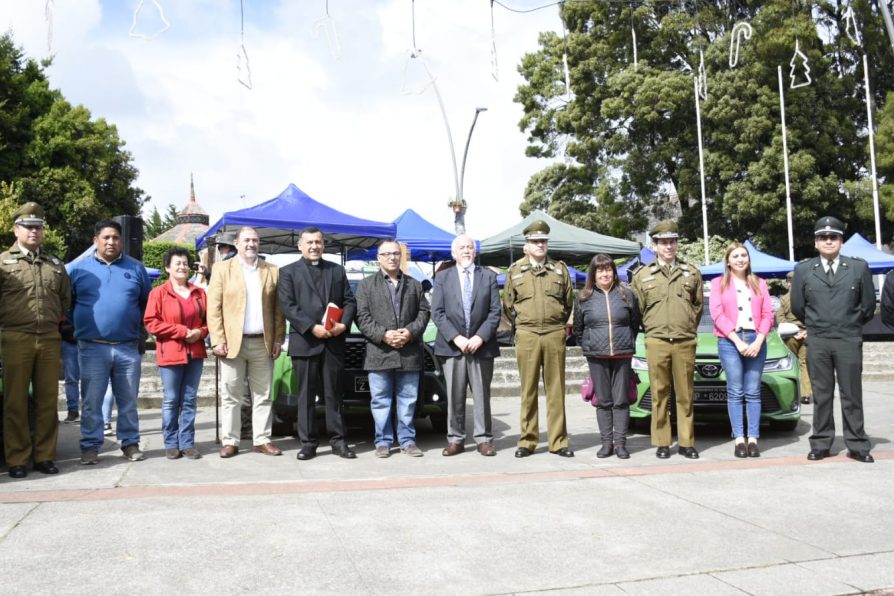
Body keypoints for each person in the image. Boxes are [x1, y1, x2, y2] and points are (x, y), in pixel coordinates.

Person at [791, 216, 875, 463]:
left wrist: (849, 323)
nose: (828, 241)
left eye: (833, 237)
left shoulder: (858, 268)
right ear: (816, 242)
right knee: (822, 394)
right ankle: (821, 443)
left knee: (852, 394)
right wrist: (818, 324)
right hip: (818, 339)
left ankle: (858, 444)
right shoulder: (804, 270)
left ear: (841, 241)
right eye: (823, 237)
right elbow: (798, 306)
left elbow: (868, 306)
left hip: (848, 338)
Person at [69, 219, 151, 465]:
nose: (111, 242)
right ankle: (91, 446)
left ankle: (130, 444)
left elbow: (146, 304)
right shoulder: (78, 270)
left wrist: (140, 335)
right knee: (92, 401)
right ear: (95, 240)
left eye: (115, 237)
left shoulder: (136, 269)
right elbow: (67, 305)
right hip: (91, 347)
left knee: (128, 401)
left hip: (127, 347)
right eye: (106, 237)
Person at [0, 202, 70, 478]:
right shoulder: (3, 262)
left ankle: (44, 456)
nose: (34, 232)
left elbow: (65, 299)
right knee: (15, 401)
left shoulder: (55, 264)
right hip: (16, 336)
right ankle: (17, 458)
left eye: (38, 227)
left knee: (47, 400)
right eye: (28, 227)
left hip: (49, 338)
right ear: (16, 230)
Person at [207, 226, 285, 458]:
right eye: (247, 240)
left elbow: (278, 310)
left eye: (255, 240)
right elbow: (214, 308)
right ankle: (231, 441)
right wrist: (217, 339)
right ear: (237, 244)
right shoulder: (221, 269)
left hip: (263, 341)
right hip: (232, 343)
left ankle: (261, 439)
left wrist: (278, 339)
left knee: (264, 394)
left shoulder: (272, 270)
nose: (251, 244)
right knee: (231, 394)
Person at [278, 227, 356, 460]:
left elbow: (349, 301)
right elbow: (288, 306)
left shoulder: (336, 270)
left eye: (318, 242)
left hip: (333, 341)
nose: (314, 246)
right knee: (306, 396)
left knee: (334, 394)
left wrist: (343, 324)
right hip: (306, 341)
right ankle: (308, 443)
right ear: (300, 245)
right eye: (310, 242)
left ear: (324, 245)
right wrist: (312, 327)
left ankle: (338, 441)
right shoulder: (288, 272)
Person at [502, 220, 575, 458]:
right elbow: (508, 305)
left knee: (556, 390)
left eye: (543, 241)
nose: (540, 245)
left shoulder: (559, 269)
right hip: (527, 334)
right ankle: (527, 440)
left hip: (554, 333)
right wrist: (524, 325)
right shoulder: (515, 271)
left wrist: (559, 325)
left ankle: (558, 442)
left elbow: (568, 303)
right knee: (528, 390)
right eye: (535, 241)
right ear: (527, 245)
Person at [631, 220, 703, 460]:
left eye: (672, 241)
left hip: (684, 341)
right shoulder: (642, 276)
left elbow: (698, 306)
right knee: (659, 394)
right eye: (663, 242)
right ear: (654, 245)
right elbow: (637, 309)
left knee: (685, 394)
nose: (669, 246)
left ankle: (686, 442)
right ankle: (662, 442)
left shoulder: (691, 272)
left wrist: (688, 327)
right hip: (657, 341)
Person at [355, 239, 431, 458]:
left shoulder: (415, 285)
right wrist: (383, 335)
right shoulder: (366, 285)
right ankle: (383, 441)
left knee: (408, 400)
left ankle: (408, 441)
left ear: (402, 256)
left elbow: (424, 313)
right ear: (378, 258)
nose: (392, 258)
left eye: (396, 253)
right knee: (380, 400)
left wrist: (409, 332)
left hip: (409, 352)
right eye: (387, 254)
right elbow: (362, 317)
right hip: (379, 352)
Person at [430, 234, 501, 457]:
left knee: (481, 395)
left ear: (475, 252)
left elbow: (495, 312)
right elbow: (437, 313)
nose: (466, 251)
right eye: (462, 248)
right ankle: (455, 439)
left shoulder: (488, 276)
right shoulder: (442, 277)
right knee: (454, 395)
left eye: (470, 247)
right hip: (452, 347)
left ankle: (484, 439)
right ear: (454, 253)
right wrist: (457, 337)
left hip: (482, 346)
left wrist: (479, 337)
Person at [709, 243, 774, 458]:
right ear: (727, 261)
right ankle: (739, 439)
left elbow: (768, 314)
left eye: (743, 255)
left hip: (756, 340)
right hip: (730, 341)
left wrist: (758, 341)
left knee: (753, 391)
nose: (740, 259)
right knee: (735, 391)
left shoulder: (760, 283)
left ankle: (753, 438)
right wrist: (737, 341)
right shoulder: (718, 283)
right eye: (735, 256)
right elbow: (717, 314)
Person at [573, 254, 640, 459]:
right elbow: (578, 329)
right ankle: (606, 443)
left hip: (622, 353)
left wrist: (625, 340)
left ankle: (620, 443)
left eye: (608, 269)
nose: (605, 273)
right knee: (603, 401)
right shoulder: (583, 297)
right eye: (600, 270)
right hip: (597, 355)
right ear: (594, 273)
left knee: (621, 400)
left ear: (614, 272)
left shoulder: (626, 295)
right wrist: (590, 345)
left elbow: (634, 323)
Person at [144, 247, 209, 460]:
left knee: (189, 399)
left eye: (185, 263)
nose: (182, 266)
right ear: (167, 268)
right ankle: (171, 442)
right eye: (177, 263)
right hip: (171, 352)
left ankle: (188, 443)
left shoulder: (199, 293)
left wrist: (200, 332)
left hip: (195, 352)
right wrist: (181, 332)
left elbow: (210, 323)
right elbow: (151, 323)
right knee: (171, 399)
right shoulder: (158, 293)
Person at [776, 271, 812, 404]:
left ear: (788, 283)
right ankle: (806, 394)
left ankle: (790, 394)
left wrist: (794, 333)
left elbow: (780, 318)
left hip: (790, 335)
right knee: (805, 364)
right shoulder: (809, 297)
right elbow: (814, 316)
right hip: (807, 334)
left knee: (790, 363)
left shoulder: (784, 299)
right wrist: (807, 331)